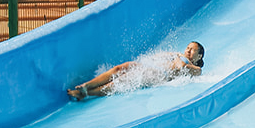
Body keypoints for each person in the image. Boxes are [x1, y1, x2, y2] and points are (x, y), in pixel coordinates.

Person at [67, 41, 204, 100]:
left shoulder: (197, 69)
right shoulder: (177, 55)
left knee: (118, 82)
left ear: (199, 56)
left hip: (157, 75)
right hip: (149, 66)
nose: (187, 50)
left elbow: (181, 67)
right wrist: (174, 55)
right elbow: (156, 57)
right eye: (187, 47)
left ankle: (86, 94)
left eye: (192, 50)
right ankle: (87, 85)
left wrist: (179, 56)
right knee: (119, 68)